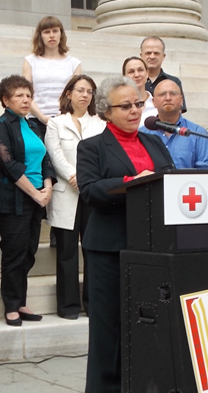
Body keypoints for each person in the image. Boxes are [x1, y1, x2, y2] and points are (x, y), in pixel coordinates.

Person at [76, 76, 174, 392]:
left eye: (138, 104)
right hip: (109, 247)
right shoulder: (91, 147)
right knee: (110, 328)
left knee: (152, 325)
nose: (134, 110)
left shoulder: (155, 141)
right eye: (125, 106)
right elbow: (90, 190)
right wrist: (133, 181)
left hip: (153, 245)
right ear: (106, 111)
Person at [0, 75, 57, 327]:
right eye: (19, 95)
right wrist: (35, 192)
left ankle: (21, 300)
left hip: (36, 197)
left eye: (28, 95)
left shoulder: (34, 126)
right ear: (5, 100)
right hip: (12, 199)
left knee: (28, 252)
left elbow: (46, 159)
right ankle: (11, 305)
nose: (25, 99)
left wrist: (47, 187)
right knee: (14, 252)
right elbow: (7, 164)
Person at [44, 75, 105, 319]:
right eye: (80, 90)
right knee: (67, 252)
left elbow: (103, 154)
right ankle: (68, 307)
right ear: (69, 93)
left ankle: (93, 305)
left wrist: (86, 178)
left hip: (92, 193)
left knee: (92, 250)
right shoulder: (56, 123)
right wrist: (74, 175)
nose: (84, 95)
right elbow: (55, 154)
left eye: (89, 91)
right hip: (66, 193)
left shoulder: (100, 123)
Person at [22, 16, 82, 137]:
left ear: (61, 34)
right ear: (40, 35)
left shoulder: (74, 63)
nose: (51, 35)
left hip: (66, 119)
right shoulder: (30, 61)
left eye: (55, 31)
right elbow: (26, 93)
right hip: (36, 120)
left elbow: (76, 94)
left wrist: (63, 114)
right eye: (47, 32)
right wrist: (42, 117)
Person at [140, 79, 208, 169]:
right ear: (153, 102)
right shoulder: (142, 135)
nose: (168, 98)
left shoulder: (198, 134)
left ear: (181, 100)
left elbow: (206, 170)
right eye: (162, 94)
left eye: (173, 93)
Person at [140, 35, 187, 113]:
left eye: (156, 53)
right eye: (148, 53)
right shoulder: (134, 82)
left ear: (163, 56)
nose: (152, 56)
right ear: (141, 56)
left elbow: (178, 111)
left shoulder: (174, 82)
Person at [122, 56, 156, 127]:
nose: (137, 75)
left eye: (140, 70)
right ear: (124, 77)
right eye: (131, 72)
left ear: (147, 74)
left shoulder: (157, 105)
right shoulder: (119, 106)